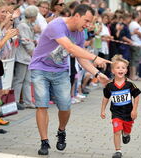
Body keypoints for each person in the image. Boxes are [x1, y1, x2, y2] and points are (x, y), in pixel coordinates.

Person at [29, 4, 111, 155]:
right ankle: (44, 141)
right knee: (42, 104)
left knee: (65, 106)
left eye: (90, 22)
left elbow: (80, 57)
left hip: (60, 71)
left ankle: (61, 131)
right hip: (40, 68)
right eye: (86, 21)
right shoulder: (57, 25)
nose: (88, 25)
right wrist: (95, 57)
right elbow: (71, 48)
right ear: (77, 16)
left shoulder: (80, 33)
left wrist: (97, 74)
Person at [100, 55, 141, 158]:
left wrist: (134, 110)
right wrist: (103, 110)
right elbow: (105, 98)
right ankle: (118, 151)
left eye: (123, 68)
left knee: (126, 130)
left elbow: (136, 97)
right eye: (118, 68)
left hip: (128, 113)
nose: (120, 70)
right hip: (116, 113)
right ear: (113, 71)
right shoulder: (109, 86)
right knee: (117, 131)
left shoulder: (130, 85)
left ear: (126, 70)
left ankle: (126, 134)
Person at [12, 5, 38, 109]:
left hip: (27, 57)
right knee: (19, 79)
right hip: (22, 56)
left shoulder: (28, 25)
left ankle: (28, 101)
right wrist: (33, 52)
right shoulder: (23, 25)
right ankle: (15, 101)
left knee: (27, 80)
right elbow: (25, 41)